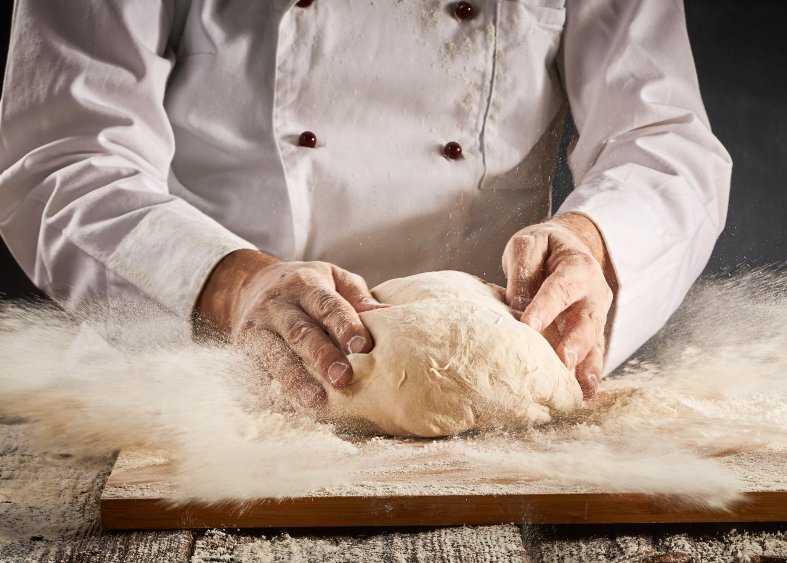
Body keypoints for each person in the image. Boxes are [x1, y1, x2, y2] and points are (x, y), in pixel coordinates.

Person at [0, 0, 731, 408]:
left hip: (498, 407)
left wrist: (592, 240)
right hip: (201, 395)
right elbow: (61, 153)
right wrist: (233, 284)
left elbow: (663, 138)